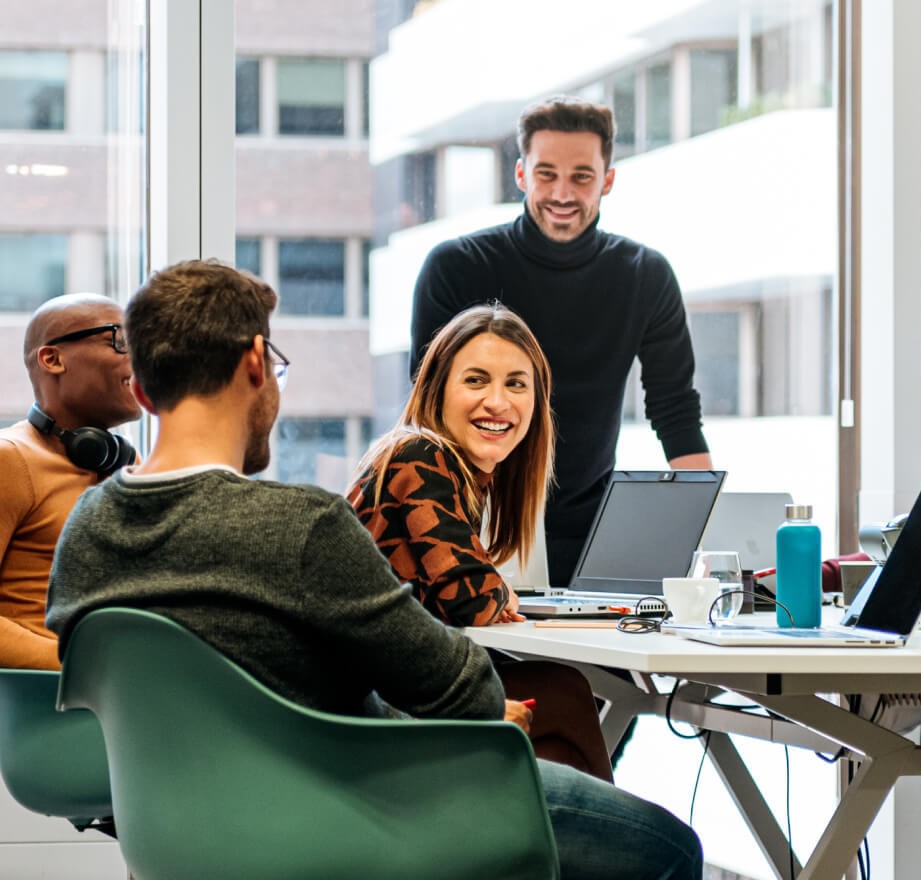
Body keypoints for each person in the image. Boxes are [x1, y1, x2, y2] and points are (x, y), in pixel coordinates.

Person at [46, 260, 703, 880]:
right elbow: (454, 684)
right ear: (254, 362)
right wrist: (489, 706)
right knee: (670, 848)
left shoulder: (87, 528)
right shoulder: (299, 524)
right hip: (351, 805)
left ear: (139, 390)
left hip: (170, 828)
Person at [410, 96, 712, 586]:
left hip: (593, 536)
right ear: (521, 174)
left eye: (582, 176)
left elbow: (675, 409)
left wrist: (706, 539)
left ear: (608, 180)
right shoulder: (457, 266)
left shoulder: (645, 276)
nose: (563, 192)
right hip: (475, 524)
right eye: (546, 174)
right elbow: (427, 410)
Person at [350, 304, 613, 780]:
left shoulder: (462, 474)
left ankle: (554, 850)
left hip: (390, 690)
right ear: (438, 390)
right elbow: (474, 596)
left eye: (516, 383)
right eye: (475, 380)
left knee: (559, 707)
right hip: (371, 707)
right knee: (564, 695)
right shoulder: (419, 454)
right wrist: (500, 592)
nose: (497, 402)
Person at [0, 294, 141, 669]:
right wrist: (87, 670)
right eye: (121, 341)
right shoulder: (10, 460)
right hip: (45, 710)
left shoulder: (129, 468)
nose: (142, 357)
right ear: (53, 359)